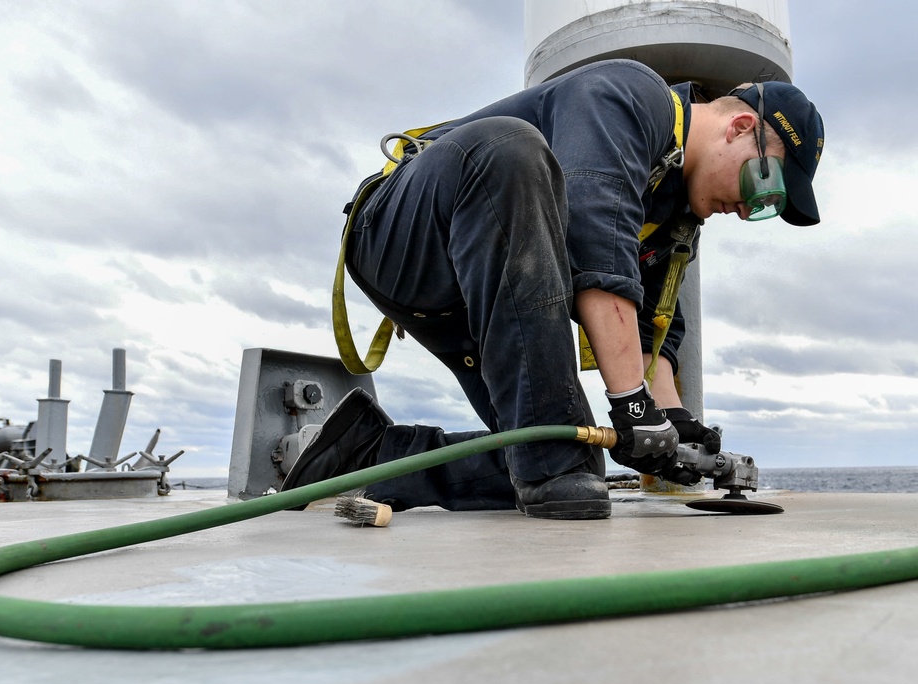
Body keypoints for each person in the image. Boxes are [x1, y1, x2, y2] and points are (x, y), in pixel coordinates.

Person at [281, 58, 824, 520]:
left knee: (563, 462)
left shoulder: (675, 222)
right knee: (509, 148)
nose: (752, 208)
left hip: (479, 291)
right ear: (739, 126)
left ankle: (365, 455)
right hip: (407, 231)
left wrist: (673, 428)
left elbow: (648, 332)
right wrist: (633, 409)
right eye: (765, 185)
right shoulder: (631, 94)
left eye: (768, 210)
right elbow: (596, 237)